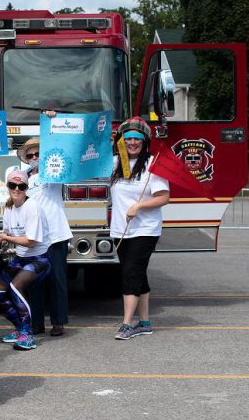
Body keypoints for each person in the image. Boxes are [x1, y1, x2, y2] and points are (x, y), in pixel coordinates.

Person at [110, 117, 169, 340]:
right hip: (121, 230)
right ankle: (144, 322)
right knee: (138, 275)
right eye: (128, 139)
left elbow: (164, 197)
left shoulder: (153, 164)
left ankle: (127, 324)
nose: (132, 143)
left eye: (137, 139)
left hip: (145, 229)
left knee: (131, 274)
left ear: (145, 142)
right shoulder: (117, 163)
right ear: (121, 142)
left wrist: (139, 205)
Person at [0, 170, 51, 351]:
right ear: (7, 187)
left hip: (40, 258)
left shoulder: (32, 206)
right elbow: (8, 234)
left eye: (21, 186)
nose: (16, 189)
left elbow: (31, 241)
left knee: (16, 287)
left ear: (26, 188)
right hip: (21, 257)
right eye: (12, 185)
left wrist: (6, 238)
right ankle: (20, 329)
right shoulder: (9, 207)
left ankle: (28, 335)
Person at [20, 135, 73, 337]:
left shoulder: (54, 174)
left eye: (38, 154)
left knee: (57, 281)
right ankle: (36, 323)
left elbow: (64, 156)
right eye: (30, 155)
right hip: (33, 236)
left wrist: (53, 123)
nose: (34, 157)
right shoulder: (24, 179)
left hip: (56, 234)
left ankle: (58, 322)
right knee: (34, 282)